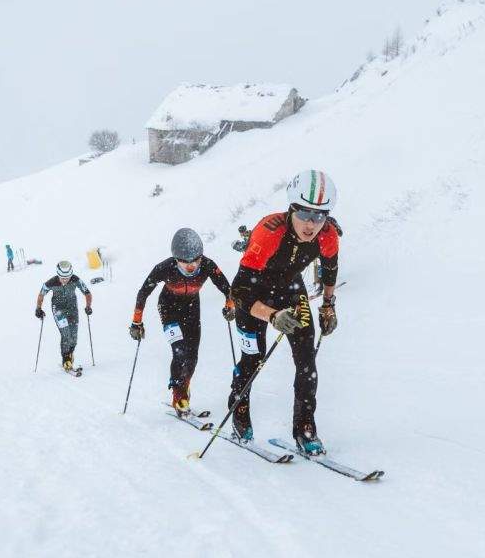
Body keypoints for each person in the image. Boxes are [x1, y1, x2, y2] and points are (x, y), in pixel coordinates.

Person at [227, 169, 342, 455]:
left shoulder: (327, 235)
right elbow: (239, 290)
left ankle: (305, 428)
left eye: (319, 216)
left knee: (307, 364)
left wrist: (328, 305)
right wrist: (271, 315)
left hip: (291, 290)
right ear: (291, 208)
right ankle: (239, 411)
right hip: (254, 294)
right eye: (304, 214)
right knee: (253, 359)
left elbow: (329, 270)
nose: (311, 224)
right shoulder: (270, 231)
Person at [128, 228, 235, 414]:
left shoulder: (208, 265)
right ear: (176, 259)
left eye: (196, 260)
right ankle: (179, 395)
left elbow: (227, 288)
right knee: (179, 352)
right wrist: (137, 322)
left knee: (192, 356)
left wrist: (230, 304)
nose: (191, 266)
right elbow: (143, 292)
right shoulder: (164, 267)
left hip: (192, 309)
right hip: (168, 308)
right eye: (185, 262)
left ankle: (184, 386)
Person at [35, 261, 92, 372]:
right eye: (62, 278)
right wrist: (38, 308)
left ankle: (70, 353)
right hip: (58, 310)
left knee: (74, 337)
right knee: (66, 334)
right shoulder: (51, 282)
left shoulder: (76, 280)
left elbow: (87, 293)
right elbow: (41, 294)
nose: (65, 280)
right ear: (58, 275)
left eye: (67, 277)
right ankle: (65, 359)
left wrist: (88, 306)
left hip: (72, 309)